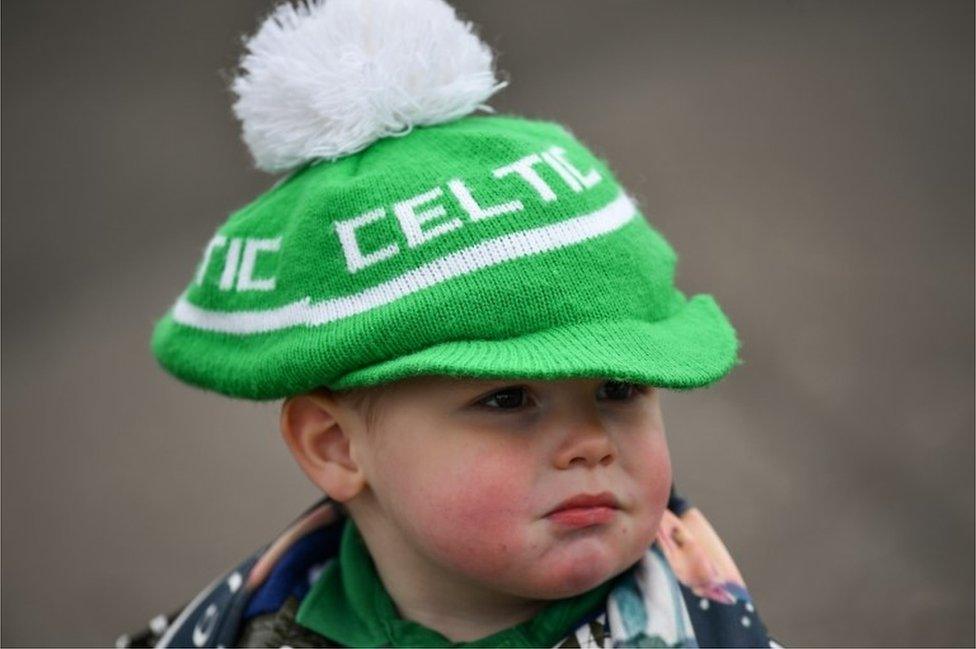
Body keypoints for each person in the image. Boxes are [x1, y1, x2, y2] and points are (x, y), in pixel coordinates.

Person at [119, 0, 782, 646]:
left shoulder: (709, 627)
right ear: (335, 445)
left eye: (621, 388)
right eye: (509, 397)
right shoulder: (241, 627)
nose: (590, 442)